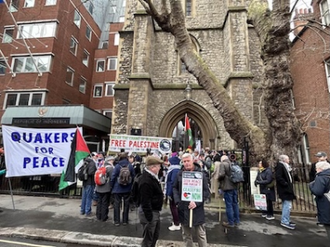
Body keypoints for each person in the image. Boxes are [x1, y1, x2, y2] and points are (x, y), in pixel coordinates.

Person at [173, 153, 209, 247]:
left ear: (193, 160)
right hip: (183, 208)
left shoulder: (201, 174)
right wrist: (177, 201)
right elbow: (175, 188)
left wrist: (197, 202)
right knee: (186, 235)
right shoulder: (179, 174)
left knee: (201, 234)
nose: (186, 163)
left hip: (197, 209)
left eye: (188, 161)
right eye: (184, 161)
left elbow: (206, 191)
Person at [139, 156, 164, 247]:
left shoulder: (151, 177)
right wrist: (149, 217)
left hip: (154, 211)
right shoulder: (146, 180)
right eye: (158, 166)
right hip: (150, 213)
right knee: (148, 240)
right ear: (153, 167)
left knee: (154, 236)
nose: (160, 168)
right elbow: (145, 200)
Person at [110, 152, 135, 226]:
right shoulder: (130, 166)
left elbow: (113, 177)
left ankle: (116, 221)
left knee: (117, 204)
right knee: (126, 205)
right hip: (127, 188)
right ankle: (125, 220)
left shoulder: (117, 166)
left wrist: (112, 185)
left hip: (117, 188)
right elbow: (133, 176)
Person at [309, 161, 330, 238]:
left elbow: (317, 191)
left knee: (328, 225)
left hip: (326, 203)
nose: (316, 170)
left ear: (320, 169)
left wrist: (311, 186)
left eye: (317, 168)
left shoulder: (321, 177)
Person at [218, 155, 240, 228]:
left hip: (227, 187)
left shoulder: (223, 164)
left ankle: (231, 222)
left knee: (229, 205)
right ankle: (237, 220)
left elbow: (222, 174)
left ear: (222, 160)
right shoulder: (232, 164)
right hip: (234, 186)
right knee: (235, 204)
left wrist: (219, 178)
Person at [275, 154, 296, 230]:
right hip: (284, 189)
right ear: (284, 160)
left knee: (287, 205)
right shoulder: (280, 166)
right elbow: (278, 176)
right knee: (287, 205)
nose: (289, 160)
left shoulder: (285, 166)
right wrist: (285, 183)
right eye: (288, 159)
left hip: (287, 188)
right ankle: (285, 221)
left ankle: (286, 219)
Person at [165, 155, 181, 231]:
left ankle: (176, 223)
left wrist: (169, 193)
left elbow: (172, 183)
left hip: (173, 193)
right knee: (175, 207)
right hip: (176, 192)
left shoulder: (174, 170)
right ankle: (177, 221)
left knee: (173, 207)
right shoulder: (177, 169)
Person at [95, 156, 114, 222]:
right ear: (110, 161)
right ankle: (104, 217)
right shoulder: (110, 168)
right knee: (105, 202)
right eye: (112, 160)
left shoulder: (101, 166)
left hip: (99, 187)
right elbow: (112, 178)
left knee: (99, 202)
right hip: (106, 188)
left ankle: (98, 216)